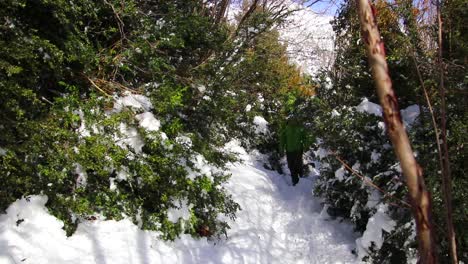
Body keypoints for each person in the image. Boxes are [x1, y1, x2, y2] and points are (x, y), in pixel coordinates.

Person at [279, 114, 306, 186]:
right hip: (298, 149)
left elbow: (282, 139)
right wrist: (306, 145)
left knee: (292, 166)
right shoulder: (300, 126)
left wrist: (281, 148)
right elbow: (305, 137)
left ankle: (295, 181)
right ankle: (301, 180)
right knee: (299, 164)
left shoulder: (285, 127)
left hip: (290, 150)